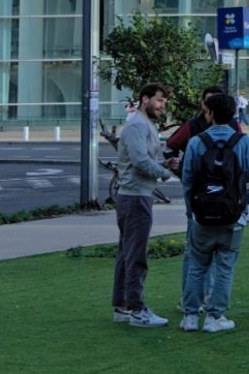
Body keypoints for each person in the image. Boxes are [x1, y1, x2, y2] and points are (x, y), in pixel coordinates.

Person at [179, 94, 249, 333]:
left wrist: (191, 210)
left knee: (197, 264)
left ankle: (190, 316)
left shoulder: (196, 142)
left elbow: (187, 179)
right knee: (225, 266)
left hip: (202, 214)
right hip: (233, 214)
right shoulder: (242, 142)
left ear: (209, 114)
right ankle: (215, 316)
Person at [112, 83, 180, 328]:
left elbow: (144, 159)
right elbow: (140, 161)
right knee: (136, 254)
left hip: (136, 195)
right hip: (135, 197)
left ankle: (123, 305)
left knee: (127, 252)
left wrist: (163, 163)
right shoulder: (137, 125)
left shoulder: (145, 124)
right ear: (144, 99)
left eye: (164, 102)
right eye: (159, 100)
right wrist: (165, 172)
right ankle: (136, 309)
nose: (162, 106)